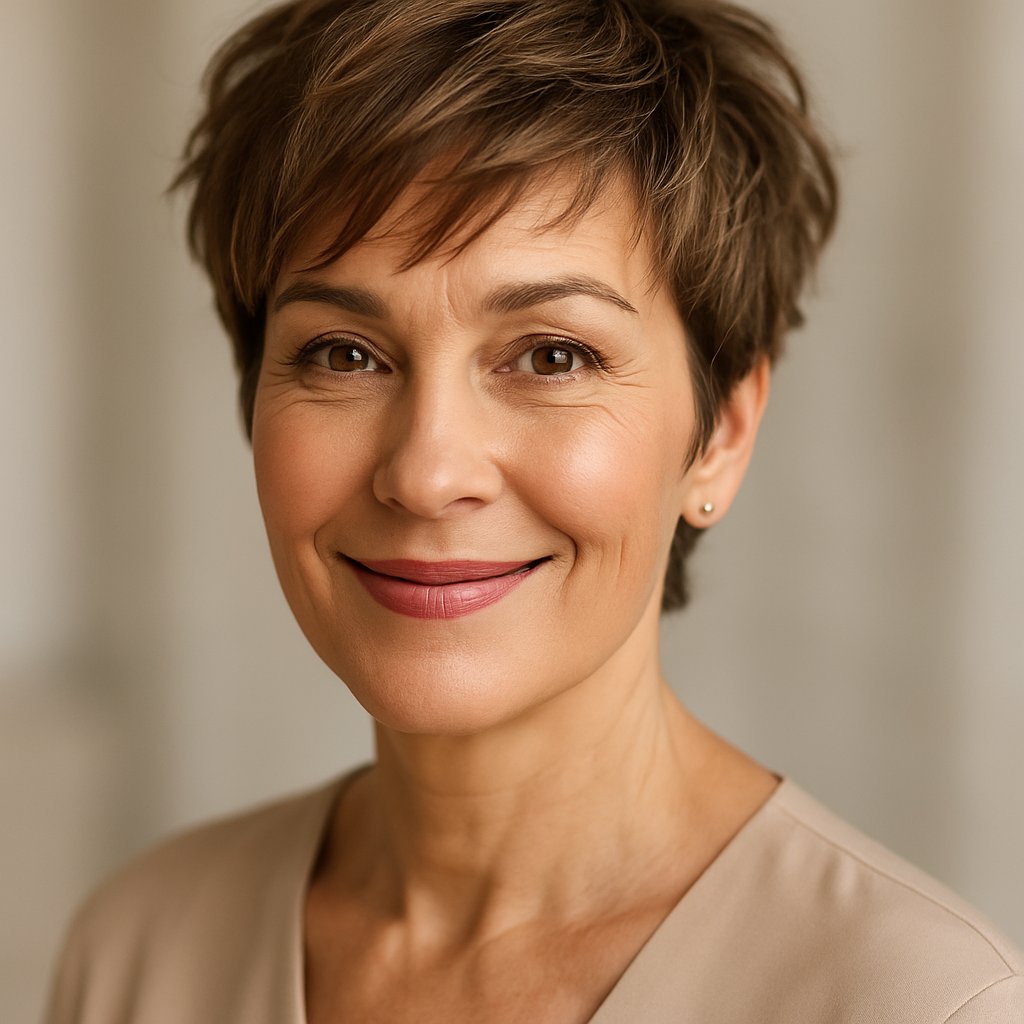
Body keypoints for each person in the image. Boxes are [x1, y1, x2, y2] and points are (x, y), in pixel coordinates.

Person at [44, 0, 1023, 1021]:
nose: (426, 473)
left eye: (552, 355)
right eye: (343, 354)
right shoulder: (138, 950)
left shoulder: (929, 1002)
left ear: (721, 433)